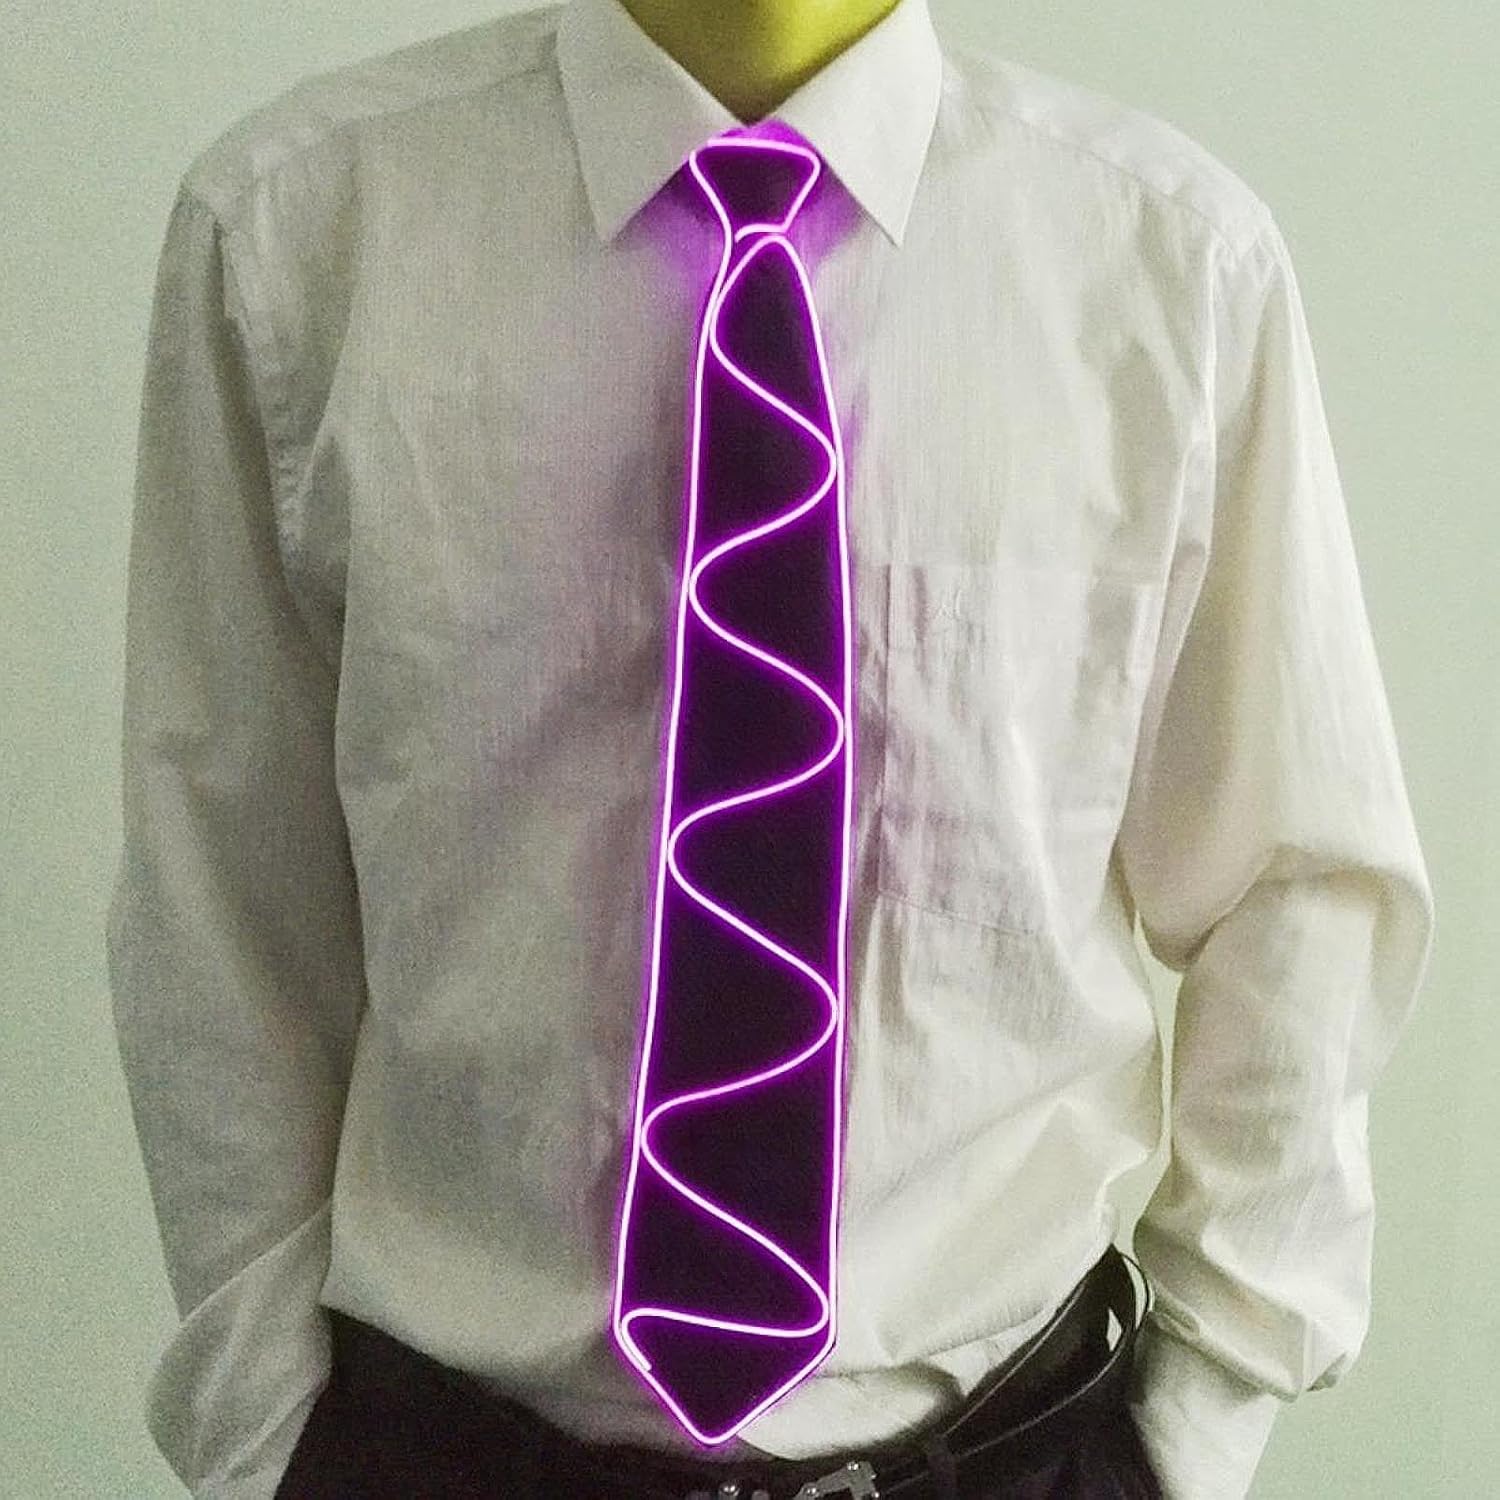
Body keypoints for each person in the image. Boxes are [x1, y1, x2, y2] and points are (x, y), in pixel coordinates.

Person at [104, 0, 1436, 1496]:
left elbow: (1296, 881)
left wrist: (1187, 1430)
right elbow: (221, 888)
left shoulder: (1169, 268)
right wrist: (272, 1433)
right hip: (443, 1447)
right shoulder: (296, 237)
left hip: (1010, 1442)